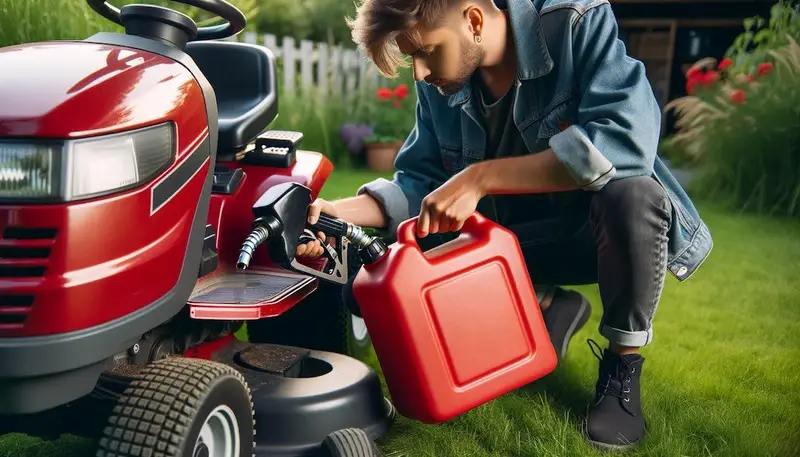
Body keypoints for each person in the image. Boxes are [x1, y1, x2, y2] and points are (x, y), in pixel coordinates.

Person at [297, 0, 713, 451]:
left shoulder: (575, 21)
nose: (418, 73)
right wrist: (337, 210)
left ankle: (620, 369)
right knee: (360, 287)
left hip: (593, 236)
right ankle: (548, 304)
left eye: (425, 52)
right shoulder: (443, 82)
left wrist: (481, 177)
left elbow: (626, 145)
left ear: (473, 19)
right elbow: (421, 183)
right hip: (504, 247)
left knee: (635, 194)